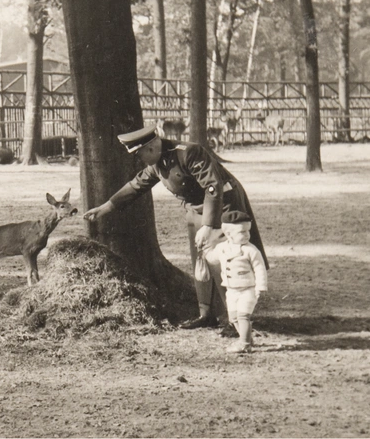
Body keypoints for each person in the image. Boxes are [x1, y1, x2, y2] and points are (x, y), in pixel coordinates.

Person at [83, 124, 268, 334]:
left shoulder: (188, 152)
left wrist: (209, 226)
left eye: (140, 154)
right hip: (197, 209)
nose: (139, 159)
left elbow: (213, 186)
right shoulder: (157, 163)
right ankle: (206, 314)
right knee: (200, 259)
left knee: (226, 261)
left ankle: (235, 319)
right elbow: (136, 185)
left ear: (151, 147)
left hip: (223, 206)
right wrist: (105, 208)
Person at [204, 210, 268, 353]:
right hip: (231, 290)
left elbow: (260, 269)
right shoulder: (222, 248)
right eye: (242, 232)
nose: (246, 235)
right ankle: (247, 338)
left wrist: (260, 287)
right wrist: (205, 252)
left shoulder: (251, 250)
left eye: (247, 231)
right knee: (233, 317)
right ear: (228, 234)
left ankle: (244, 343)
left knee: (243, 315)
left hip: (248, 289)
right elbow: (213, 258)